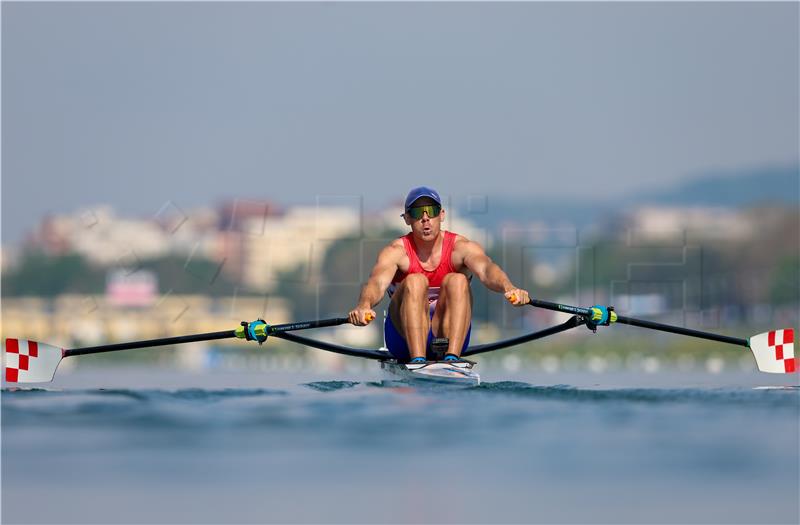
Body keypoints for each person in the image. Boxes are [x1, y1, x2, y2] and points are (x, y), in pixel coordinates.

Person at [348, 186, 530, 363]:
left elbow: (487, 270)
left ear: (441, 215)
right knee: (415, 281)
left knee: (458, 280)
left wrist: (510, 287)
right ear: (407, 219)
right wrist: (364, 305)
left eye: (432, 211)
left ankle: (452, 358)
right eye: (418, 213)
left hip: (448, 336)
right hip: (402, 339)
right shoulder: (396, 251)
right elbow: (376, 284)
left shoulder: (461, 247)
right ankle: (417, 359)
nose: (426, 219)